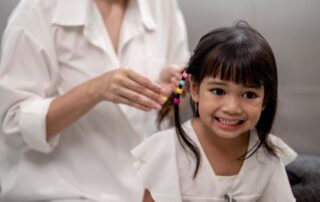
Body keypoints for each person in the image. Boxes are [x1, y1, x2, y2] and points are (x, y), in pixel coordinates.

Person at [0, 0, 189, 201]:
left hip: (142, 193)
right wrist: (95, 90)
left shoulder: (162, 5)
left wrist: (168, 93)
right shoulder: (38, 9)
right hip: (61, 193)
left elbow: (170, 117)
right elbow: (12, 125)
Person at [132, 21, 297, 202]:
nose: (232, 107)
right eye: (218, 91)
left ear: (265, 99)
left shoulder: (267, 153)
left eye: (249, 94)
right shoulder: (165, 151)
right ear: (195, 89)